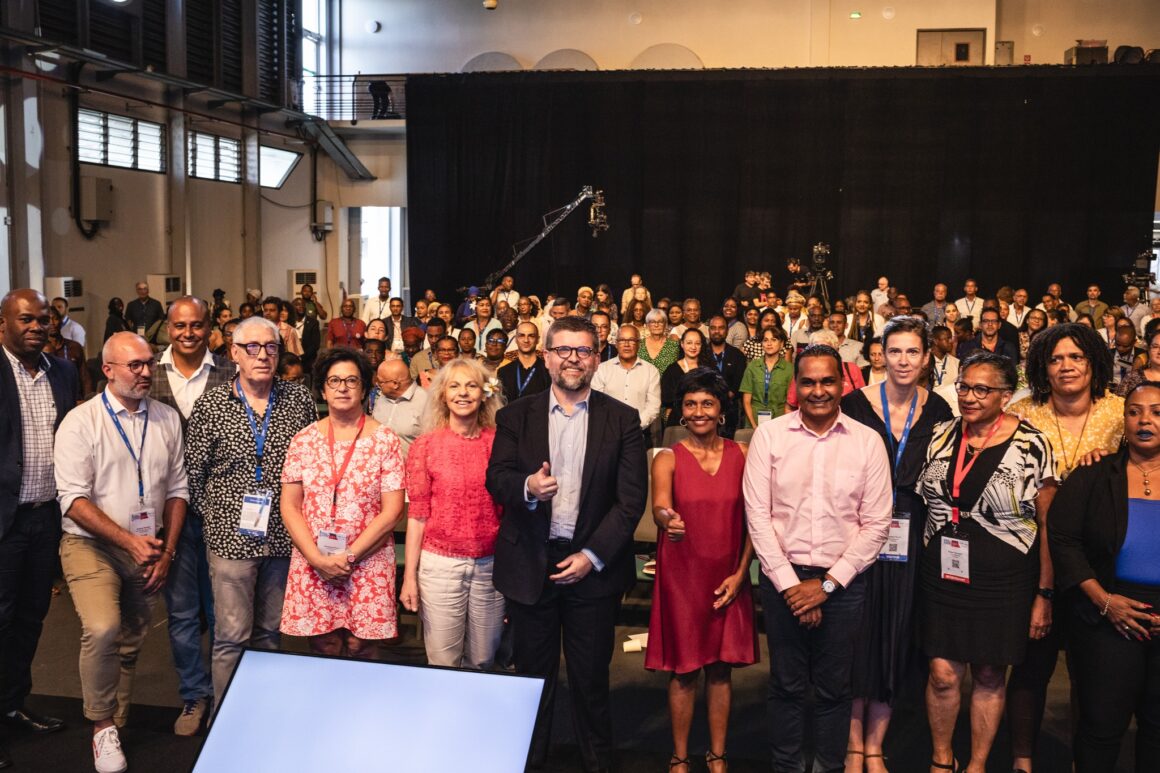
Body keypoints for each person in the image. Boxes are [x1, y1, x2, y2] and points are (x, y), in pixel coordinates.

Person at [485, 316, 646, 772]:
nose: (573, 358)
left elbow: (630, 501)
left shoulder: (623, 419)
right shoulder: (516, 415)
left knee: (591, 682)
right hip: (532, 565)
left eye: (584, 350)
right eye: (563, 350)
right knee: (532, 681)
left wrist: (592, 556)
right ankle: (528, 763)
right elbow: (496, 478)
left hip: (592, 569)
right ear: (547, 355)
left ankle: (597, 764)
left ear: (598, 358)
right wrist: (527, 489)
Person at [743, 344, 893, 773]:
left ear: (843, 384)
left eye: (827, 381)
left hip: (843, 586)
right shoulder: (770, 437)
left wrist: (825, 586)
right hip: (781, 581)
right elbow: (758, 515)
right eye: (808, 381)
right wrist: (792, 586)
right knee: (786, 685)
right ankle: (787, 768)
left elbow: (877, 524)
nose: (818, 390)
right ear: (795, 386)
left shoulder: (867, 442)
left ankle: (828, 767)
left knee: (833, 690)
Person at [916, 351, 1057, 773]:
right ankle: (942, 760)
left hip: (1005, 577)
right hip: (941, 570)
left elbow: (1049, 524)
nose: (969, 397)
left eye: (982, 389)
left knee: (990, 674)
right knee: (942, 672)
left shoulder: (1033, 443)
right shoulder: (941, 434)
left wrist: (1044, 594)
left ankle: (977, 764)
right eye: (964, 386)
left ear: (1006, 396)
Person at [55, 332, 187, 773]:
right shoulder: (81, 421)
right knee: (103, 626)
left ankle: (119, 722)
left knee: (132, 639)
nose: (146, 372)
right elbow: (73, 499)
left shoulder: (166, 418)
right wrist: (129, 542)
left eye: (150, 363)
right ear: (108, 369)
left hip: (148, 545)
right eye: (135, 365)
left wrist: (166, 549)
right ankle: (101, 725)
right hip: (90, 545)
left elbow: (177, 490)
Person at [1004, 322, 1122, 772]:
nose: (1066, 366)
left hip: (1099, 561)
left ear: (1093, 363)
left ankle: (1081, 761)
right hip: (1033, 559)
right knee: (1032, 664)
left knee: (1090, 672)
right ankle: (1022, 759)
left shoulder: (1119, 413)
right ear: (1041, 367)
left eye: (1076, 357)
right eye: (1056, 359)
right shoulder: (1022, 413)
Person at [184, 316, 317, 706]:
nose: (263, 355)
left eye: (271, 347)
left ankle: (263, 712)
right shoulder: (211, 404)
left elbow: (311, 466)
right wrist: (219, 517)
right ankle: (225, 718)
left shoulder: (299, 400)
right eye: (253, 348)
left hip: (283, 536)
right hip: (230, 541)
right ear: (234, 353)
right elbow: (194, 473)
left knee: (269, 634)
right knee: (230, 637)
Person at [841, 317, 954, 773]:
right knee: (858, 636)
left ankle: (875, 745)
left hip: (914, 533)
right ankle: (852, 744)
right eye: (895, 351)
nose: (903, 361)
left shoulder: (942, 409)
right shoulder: (852, 404)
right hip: (858, 528)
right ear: (880, 355)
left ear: (927, 358)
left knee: (896, 638)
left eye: (913, 352)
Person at [646, 368, 758, 773]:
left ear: (721, 409)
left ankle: (717, 754)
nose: (698, 412)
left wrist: (741, 573)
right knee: (683, 672)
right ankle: (678, 756)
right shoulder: (667, 457)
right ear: (680, 411)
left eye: (707, 403)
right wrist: (666, 518)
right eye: (690, 404)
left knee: (721, 671)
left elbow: (754, 523)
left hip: (729, 578)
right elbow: (660, 505)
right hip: (682, 578)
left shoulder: (743, 455)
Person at [1049, 380, 1160, 771]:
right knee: (1101, 725)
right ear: (1124, 419)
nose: (1144, 420)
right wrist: (1103, 600)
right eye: (1134, 411)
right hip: (1108, 609)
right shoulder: (1094, 473)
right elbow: (1063, 539)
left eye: (1157, 412)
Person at [279, 348, 405, 659]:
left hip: (368, 560)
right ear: (322, 388)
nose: (343, 387)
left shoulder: (385, 440)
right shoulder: (303, 441)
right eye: (334, 381)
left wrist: (349, 556)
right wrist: (316, 558)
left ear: (364, 388)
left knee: (361, 646)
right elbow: (290, 506)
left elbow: (393, 511)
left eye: (352, 380)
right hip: (314, 560)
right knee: (324, 644)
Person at [148, 297, 235, 735]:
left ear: (209, 329)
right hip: (168, 514)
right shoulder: (148, 373)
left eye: (197, 325)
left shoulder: (229, 373)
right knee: (181, 612)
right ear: (168, 327)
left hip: (222, 512)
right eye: (180, 325)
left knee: (224, 612)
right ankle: (193, 697)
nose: (188, 333)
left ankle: (226, 697)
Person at [0, 290, 78, 765]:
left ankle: (11, 704)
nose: (36, 326)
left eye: (43, 319)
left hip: (46, 519)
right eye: (25, 318)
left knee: (31, 620)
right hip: (3, 524)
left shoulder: (63, 373)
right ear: (3, 322)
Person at [402, 358, 506, 669]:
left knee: (484, 660)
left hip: (491, 566)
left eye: (471, 385)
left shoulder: (500, 444)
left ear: (484, 393)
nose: (463, 393)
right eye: (455, 386)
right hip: (440, 567)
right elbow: (417, 514)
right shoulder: (425, 446)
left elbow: (510, 512)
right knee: (443, 661)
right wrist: (409, 577)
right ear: (443, 395)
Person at [591, 323, 661, 441]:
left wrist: (634, 426)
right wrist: (613, 428)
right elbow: (597, 403)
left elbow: (653, 406)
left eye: (632, 340)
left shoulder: (651, 371)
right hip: (607, 434)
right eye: (622, 340)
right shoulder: (601, 369)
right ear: (616, 344)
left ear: (639, 344)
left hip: (639, 435)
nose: (627, 344)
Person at [370, 358, 428, 457]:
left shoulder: (427, 402)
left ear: (395, 384)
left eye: (380, 382)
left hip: (410, 469)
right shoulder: (381, 397)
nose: (377, 384)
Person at [740, 327, 792, 427]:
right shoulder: (752, 366)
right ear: (762, 344)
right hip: (754, 418)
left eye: (774, 340)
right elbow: (746, 401)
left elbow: (790, 403)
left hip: (780, 420)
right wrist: (754, 426)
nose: (769, 344)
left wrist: (784, 426)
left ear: (781, 344)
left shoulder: (789, 369)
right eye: (765, 340)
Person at [661, 329, 713, 427]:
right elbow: (666, 398)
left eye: (697, 343)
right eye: (689, 343)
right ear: (682, 344)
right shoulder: (672, 370)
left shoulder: (709, 369)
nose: (693, 347)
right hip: (678, 420)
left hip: (705, 419)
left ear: (702, 346)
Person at [639, 308, 681, 375]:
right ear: (647, 325)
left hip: (666, 384)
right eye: (652, 322)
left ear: (665, 324)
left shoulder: (674, 345)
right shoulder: (639, 345)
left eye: (660, 322)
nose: (656, 325)